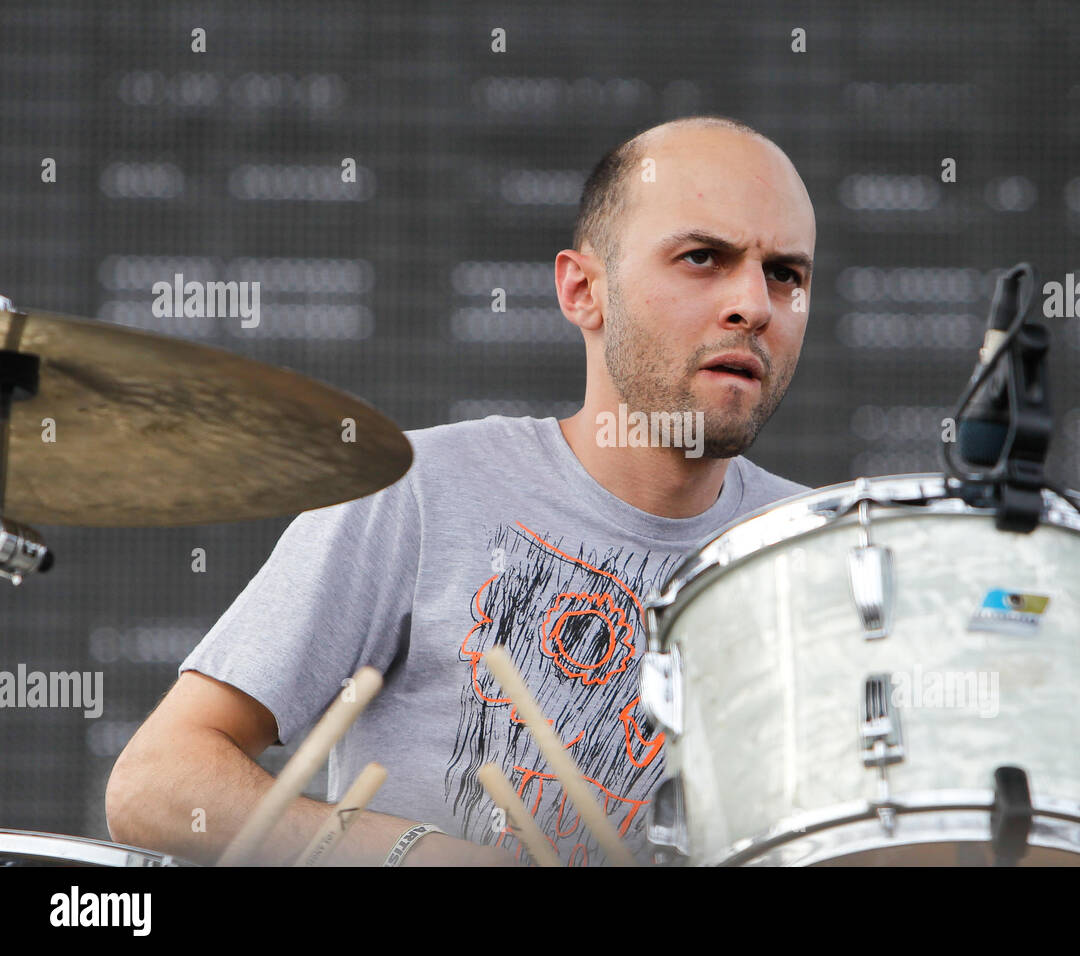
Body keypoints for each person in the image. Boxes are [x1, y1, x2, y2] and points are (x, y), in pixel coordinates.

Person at [105, 114, 818, 866]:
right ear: (582, 289)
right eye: (704, 257)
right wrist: (421, 855)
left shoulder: (825, 553)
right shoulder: (416, 491)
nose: (755, 305)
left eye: (786, 274)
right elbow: (156, 785)